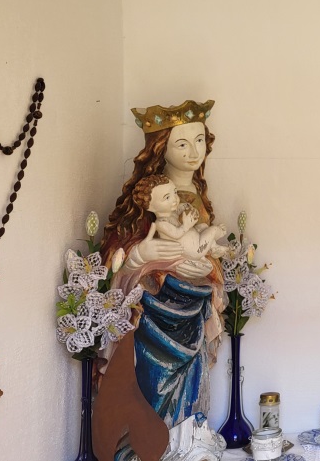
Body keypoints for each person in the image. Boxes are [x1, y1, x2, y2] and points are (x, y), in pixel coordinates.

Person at [94, 100, 225, 461]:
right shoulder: (145, 197)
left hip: (193, 303)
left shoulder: (197, 196)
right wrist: (141, 256)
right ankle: (153, 446)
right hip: (156, 310)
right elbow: (120, 252)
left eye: (199, 140)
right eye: (182, 143)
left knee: (192, 371)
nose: (194, 151)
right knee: (155, 376)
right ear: (160, 147)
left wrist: (208, 266)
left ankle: (186, 441)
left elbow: (202, 250)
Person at [134, 174, 228, 270]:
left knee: (203, 226)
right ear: (150, 207)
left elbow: (180, 210)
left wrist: (187, 208)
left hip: (196, 239)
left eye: (175, 192)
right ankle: (220, 232)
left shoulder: (172, 212)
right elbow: (176, 234)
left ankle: (214, 248)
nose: (175, 199)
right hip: (195, 250)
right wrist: (186, 226)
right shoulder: (161, 223)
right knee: (213, 230)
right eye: (167, 197)